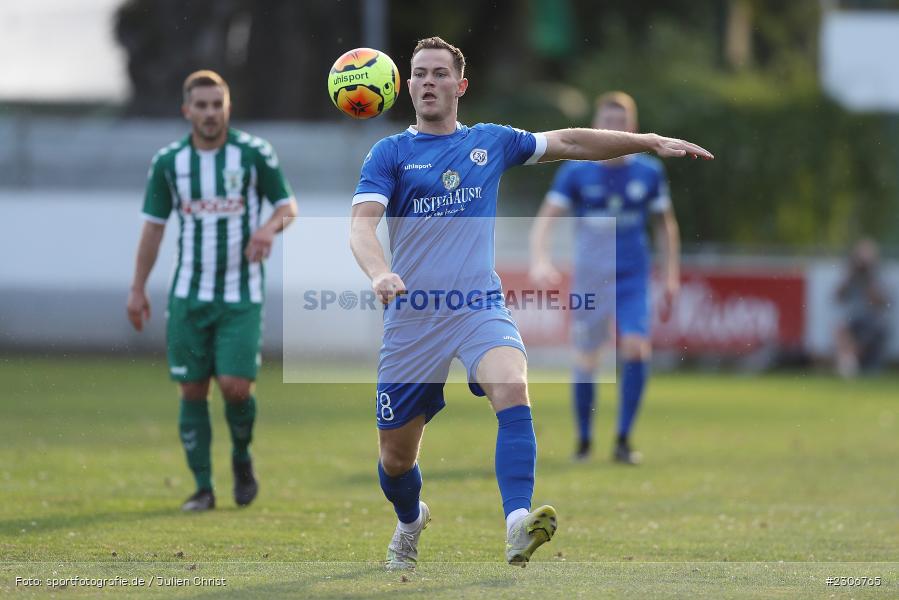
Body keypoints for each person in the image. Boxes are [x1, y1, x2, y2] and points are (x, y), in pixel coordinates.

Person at [349, 36, 712, 570]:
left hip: (477, 304)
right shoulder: (390, 154)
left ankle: (518, 523)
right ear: (405, 85)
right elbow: (361, 227)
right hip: (413, 316)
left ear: (460, 85)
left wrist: (647, 140)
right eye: (419, 74)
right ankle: (409, 521)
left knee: (513, 387)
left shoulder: (491, 142)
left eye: (439, 74)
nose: (428, 82)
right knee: (396, 459)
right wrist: (381, 272)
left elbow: (570, 141)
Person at [127, 70, 297, 511]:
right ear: (187, 110)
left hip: (241, 295)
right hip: (189, 296)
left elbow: (287, 207)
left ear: (228, 107)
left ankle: (241, 458)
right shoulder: (169, 163)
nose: (208, 112)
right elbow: (153, 229)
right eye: (200, 105)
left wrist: (266, 229)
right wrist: (138, 289)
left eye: (216, 104)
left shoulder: (254, 153)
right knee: (192, 390)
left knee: (236, 387)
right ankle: (203, 487)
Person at [529, 91, 680, 465]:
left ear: (633, 128)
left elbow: (665, 225)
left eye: (621, 122)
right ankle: (583, 441)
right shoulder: (576, 171)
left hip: (632, 277)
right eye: (607, 122)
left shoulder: (649, 172)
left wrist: (673, 274)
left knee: (635, 348)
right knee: (586, 358)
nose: (614, 128)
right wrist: (539, 258)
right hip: (591, 281)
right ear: (596, 126)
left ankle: (624, 439)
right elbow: (547, 217)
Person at [834, 238, 890, 377]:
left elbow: (880, 301)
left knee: (871, 333)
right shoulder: (852, 275)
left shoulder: (878, 275)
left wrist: (869, 276)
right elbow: (838, 296)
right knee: (841, 329)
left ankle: (851, 363)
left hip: (873, 321)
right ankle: (849, 364)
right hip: (854, 320)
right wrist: (851, 274)